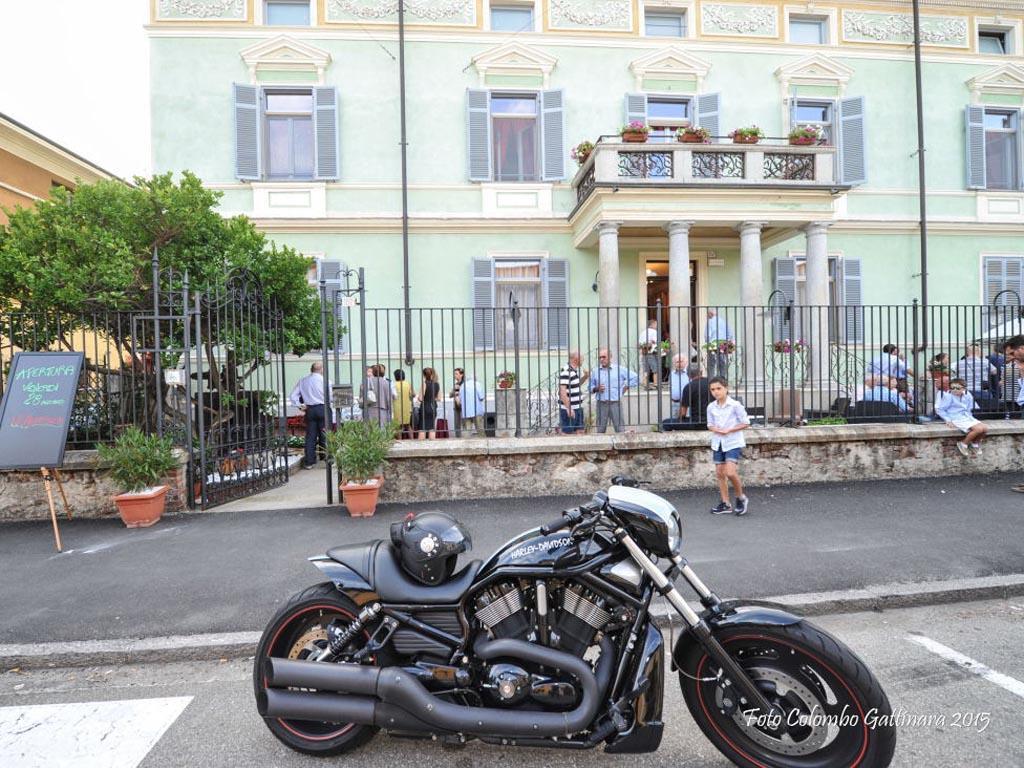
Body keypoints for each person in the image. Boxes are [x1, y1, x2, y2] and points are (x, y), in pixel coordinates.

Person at [706, 377, 750, 516]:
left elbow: (746, 422)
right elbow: (709, 424)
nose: (716, 392)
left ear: (726, 388)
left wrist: (729, 430)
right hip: (718, 442)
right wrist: (716, 430)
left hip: (732, 442)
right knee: (720, 473)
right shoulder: (711, 407)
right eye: (713, 389)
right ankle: (726, 503)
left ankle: (741, 498)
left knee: (730, 472)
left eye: (718, 388)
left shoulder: (735, 405)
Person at [289, 361, 328, 469]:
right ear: (321, 369)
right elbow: (331, 397)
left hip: (310, 409)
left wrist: (299, 405)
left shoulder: (303, 381)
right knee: (325, 434)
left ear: (311, 369)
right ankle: (327, 458)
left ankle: (309, 462)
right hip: (322, 408)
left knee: (310, 436)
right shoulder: (325, 381)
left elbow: (293, 396)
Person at [935, 377, 988, 458]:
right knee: (978, 429)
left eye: (958, 388)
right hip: (955, 417)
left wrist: (971, 418)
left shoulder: (967, 394)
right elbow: (940, 409)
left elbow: (969, 406)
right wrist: (948, 420)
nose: (955, 390)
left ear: (964, 388)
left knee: (985, 428)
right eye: (952, 388)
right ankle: (963, 444)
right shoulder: (948, 396)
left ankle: (975, 444)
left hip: (966, 416)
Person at [589, 349, 638, 434]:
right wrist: (596, 389)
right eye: (600, 357)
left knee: (620, 430)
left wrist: (626, 386)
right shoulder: (595, 371)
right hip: (601, 404)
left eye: (604, 357)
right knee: (600, 431)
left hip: (615, 403)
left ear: (610, 357)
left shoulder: (619, 369)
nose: (601, 359)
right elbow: (590, 387)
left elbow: (635, 377)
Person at [558, 350, 588, 434]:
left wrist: (585, 377)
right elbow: (562, 392)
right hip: (570, 409)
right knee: (568, 434)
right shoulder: (566, 371)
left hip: (577, 407)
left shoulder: (573, 371)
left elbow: (576, 385)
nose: (583, 360)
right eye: (582, 358)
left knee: (580, 431)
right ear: (576, 359)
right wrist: (569, 408)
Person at [704, 309, 734, 378]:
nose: (707, 315)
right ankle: (722, 378)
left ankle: (711, 380)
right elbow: (730, 334)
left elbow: (707, 335)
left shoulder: (710, 321)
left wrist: (707, 341)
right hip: (723, 343)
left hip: (713, 344)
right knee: (722, 362)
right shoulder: (723, 321)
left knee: (712, 363)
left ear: (710, 314)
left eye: (707, 314)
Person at [458, 369, 485, 437]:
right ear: (476, 378)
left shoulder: (463, 385)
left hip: (466, 411)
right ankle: (483, 443)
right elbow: (481, 397)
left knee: (467, 430)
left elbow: (460, 398)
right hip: (477, 410)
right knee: (480, 429)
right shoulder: (477, 384)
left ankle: (465, 444)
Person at [416, 367, 441, 440]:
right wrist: (432, 398)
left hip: (425, 407)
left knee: (422, 428)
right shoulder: (437, 384)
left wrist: (419, 398)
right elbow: (439, 398)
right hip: (433, 407)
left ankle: (421, 447)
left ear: (424, 375)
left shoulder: (424, 384)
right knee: (431, 427)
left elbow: (421, 398)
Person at [392, 369, 414, 438]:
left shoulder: (394, 384)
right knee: (408, 424)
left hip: (397, 406)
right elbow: (413, 394)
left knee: (398, 425)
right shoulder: (408, 384)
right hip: (407, 406)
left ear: (395, 376)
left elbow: (392, 395)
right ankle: (412, 439)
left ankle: (400, 440)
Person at [638, 319, 660, 390]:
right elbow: (655, 342)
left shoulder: (643, 332)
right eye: (656, 324)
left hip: (644, 353)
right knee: (655, 368)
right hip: (651, 352)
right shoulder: (654, 331)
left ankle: (645, 384)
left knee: (646, 369)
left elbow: (640, 344)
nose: (656, 326)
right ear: (652, 324)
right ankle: (656, 384)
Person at [450, 368, 464, 437]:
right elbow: (450, 395)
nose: (454, 375)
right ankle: (458, 439)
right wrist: (453, 390)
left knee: (464, 425)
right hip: (456, 407)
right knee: (457, 425)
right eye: (454, 374)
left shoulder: (464, 384)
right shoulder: (456, 384)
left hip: (464, 407)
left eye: (456, 374)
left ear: (461, 375)